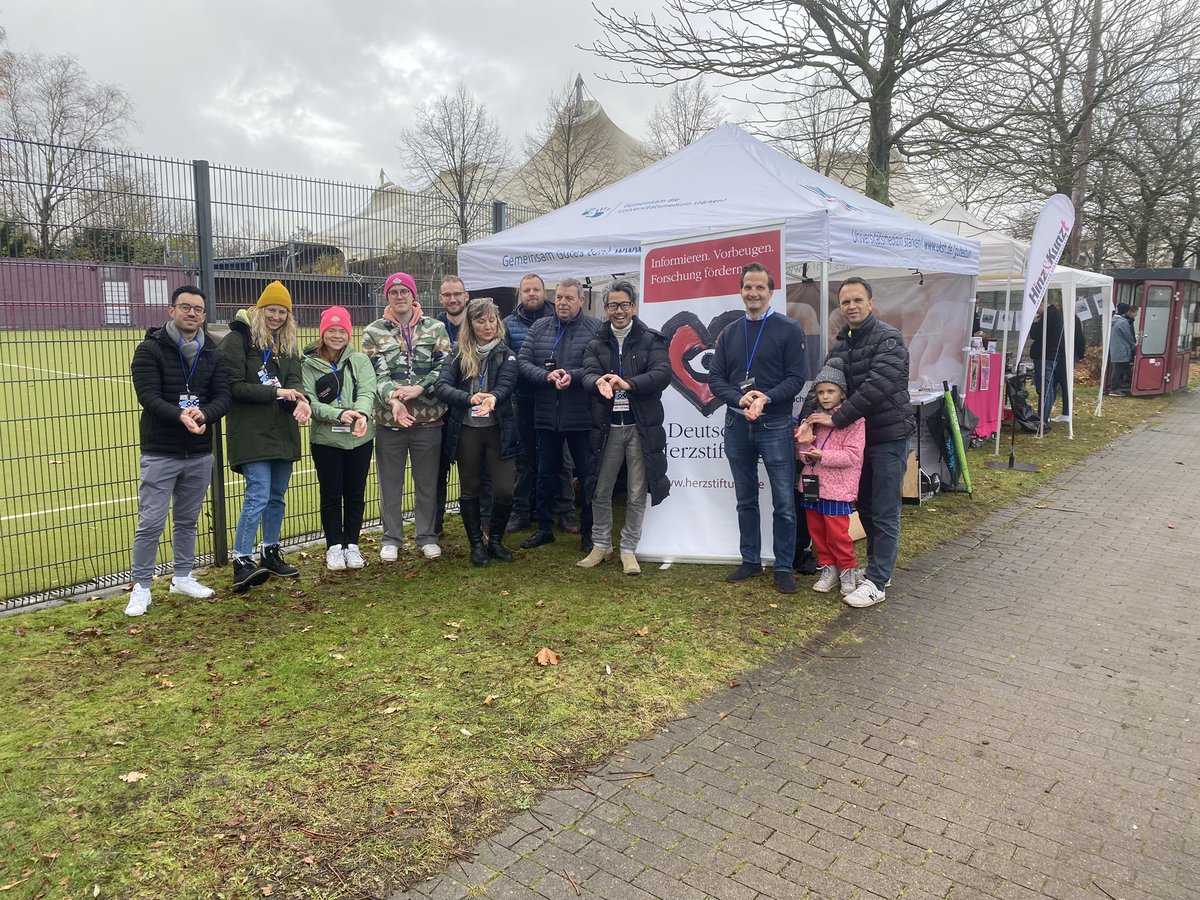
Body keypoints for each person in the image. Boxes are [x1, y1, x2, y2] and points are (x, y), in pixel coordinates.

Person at [806, 276, 914, 609]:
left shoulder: (888, 339)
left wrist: (837, 420)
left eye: (857, 300)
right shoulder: (841, 343)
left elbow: (878, 385)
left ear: (871, 303)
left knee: (884, 509)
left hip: (887, 435)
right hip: (857, 441)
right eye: (845, 301)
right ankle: (880, 567)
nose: (851, 306)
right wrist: (806, 422)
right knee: (865, 506)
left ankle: (877, 582)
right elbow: (823, 387)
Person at [125, 285, 231, 616]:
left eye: (198, 309)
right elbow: (148, 396)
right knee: (151, 522)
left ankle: (182, 576)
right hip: (161, 450)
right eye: (185, 307)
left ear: (203, 315)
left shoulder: (212, 353)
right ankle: (141, 587)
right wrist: (179, 415)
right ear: (171, 310)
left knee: (187, 519)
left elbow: (223, 397)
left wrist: (204, 414)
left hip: (199, 451)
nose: (192, 313)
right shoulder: (149, 349)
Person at [708, 262, 807, 595]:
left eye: (760, 287)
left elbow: (796, 378)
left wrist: (766, 397)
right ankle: (750, 560)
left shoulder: (789, 329)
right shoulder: (730, 332)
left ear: (771, 291)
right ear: (741, 290)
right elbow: (716, 379)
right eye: (748, 287)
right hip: (737, 423)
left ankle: (783, 566)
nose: (753, 293)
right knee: (745, 498)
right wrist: (739, 398)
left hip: (775, 422)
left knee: (784, 500)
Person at [221, 280, 311, 591]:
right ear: (260, 310)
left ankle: (270, 552)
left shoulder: (287, 345)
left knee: (276, 496)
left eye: (282, 312)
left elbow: (295, 379)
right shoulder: (238, 340)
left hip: (282, 430)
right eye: (271, 310)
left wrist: (301, 400)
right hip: (251, 431)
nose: (276, 317)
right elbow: (233, 386)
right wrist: (276, 392)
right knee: (258, 493)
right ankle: (241, 560)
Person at [580, 280, 671, 575]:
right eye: (612, 306)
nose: (618, 311)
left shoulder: (652, 339)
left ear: (633, 306)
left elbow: (662, 373)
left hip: (640, 426)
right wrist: (597, 381)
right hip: (607, 428)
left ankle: (628, 548)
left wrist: (628, 384)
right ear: (605, 309)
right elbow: (587, 373)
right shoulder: (595, 343)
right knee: (600, 488)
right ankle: (601, 544)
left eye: (623, 305)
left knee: (636, 491)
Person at [363, 272, 452, 561]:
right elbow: (375, 373)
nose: (399, 296)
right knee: (390, 484)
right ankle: (392, 538)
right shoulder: (373, 331)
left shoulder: (435, 328)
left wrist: (420, 387)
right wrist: (394, 398)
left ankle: (426, 536)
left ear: (414, 295)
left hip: (428, 420)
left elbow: (445, 367)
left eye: (404, 291)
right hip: (389, 422)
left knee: (427, 483)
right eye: (393, 292)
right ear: (387, 297)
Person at [517, 277, 601, 551]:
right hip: (546, 415)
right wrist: (546, 376)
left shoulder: (595, 329)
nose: (563, 303)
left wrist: (572, 376)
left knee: (586, 475)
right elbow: (523, 362)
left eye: (569, 298)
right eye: (560, 298)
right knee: (545, 473)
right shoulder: (540, 327)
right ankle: (544, 529)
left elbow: (599, 366)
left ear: (581, 301)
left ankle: (588, 532)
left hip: (581, 416)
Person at [434, 298, 519, 567]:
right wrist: (469, 398)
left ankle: (495, 541)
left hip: (498, 430)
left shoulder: (507, 354)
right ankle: (476, 544)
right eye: (481, 321)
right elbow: (441, 387)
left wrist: (493, 397)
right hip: (467, 431)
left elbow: (506, 385)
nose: (488, 326)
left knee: (505, 489)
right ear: (470, 324)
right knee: (470, 488)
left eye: (492, 320)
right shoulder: (458, 354)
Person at [301, 306, 376, 571]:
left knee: (355, 493)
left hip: (359, 438)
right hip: (326, 441)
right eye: (331, 330)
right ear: (322, 333)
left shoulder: (360, 361)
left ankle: (352, 544)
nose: (337, 335)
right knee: (331, 494)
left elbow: (367, 391)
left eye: (342, 330)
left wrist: (361, 414)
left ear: (349, 333)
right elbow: (310, 402)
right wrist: (339, 414)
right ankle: (334, 546)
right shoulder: (308, 364)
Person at [503, 273, 575, 534]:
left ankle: (565, 512)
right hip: (522, 399)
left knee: (561, 459)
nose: (531, 293)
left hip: (555, 399)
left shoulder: (559, 318)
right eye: (526, 290)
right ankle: (521, 512)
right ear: (519, 294)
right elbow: (509, 362)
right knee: (523, 458)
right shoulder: (508, 324)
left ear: (545, 292)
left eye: (536, 289)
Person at [794, 358, 865, 597]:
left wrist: (823, 455)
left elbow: (852, 456)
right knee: (818, 533)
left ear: (842, 393)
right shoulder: (813, 419)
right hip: (812, 486)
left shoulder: (854, 421)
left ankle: (847, 570)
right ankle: (828, 569)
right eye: (820, 392)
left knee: (837, 534)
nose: (825, 396)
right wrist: (805, 446)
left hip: (837, 489)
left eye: (830, 391)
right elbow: (804, 456)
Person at [434, 275, 472, 536]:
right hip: (440, 407)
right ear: (441, 298)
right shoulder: (432, 327)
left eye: (457, 294)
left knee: (475, 468)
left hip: (471, 407)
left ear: (466, 296)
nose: (453, 299)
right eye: (447, 295)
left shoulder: (478, 323)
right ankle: (435, 523)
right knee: (438, 468)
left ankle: (480, 521)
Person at [1028, 301, 1064, 425]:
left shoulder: (1048, 316)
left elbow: (1035, 334)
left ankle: (1042, 418)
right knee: (1048, 387)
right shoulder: (1054, 314)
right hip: (1050, 355)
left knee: (1044, 388)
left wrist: (1034, 322)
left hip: (1045, 355)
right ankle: (1044, 416)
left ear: (1042, 303)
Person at [1049, 312, 1086, 422]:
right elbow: (1080, 339)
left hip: (1065, 354)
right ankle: (1048, 411)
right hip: (1060, 354)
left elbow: (1079, 338)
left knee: (1064, 384)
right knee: (1054, 383)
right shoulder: (1067, 318)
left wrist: (1079, 354)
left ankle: (1066, 412)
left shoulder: (1072, 319)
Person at [1108, 302, 1136, 396]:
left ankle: (1119, 384)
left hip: (1115, 348)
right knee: (1118, 369)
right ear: (1126, 311)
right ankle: (1114, 389)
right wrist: (1133, 344)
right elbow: (1128, 335)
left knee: (1120, 367)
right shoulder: (1123, 322)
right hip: (1122, 349)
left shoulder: (1114, 320)